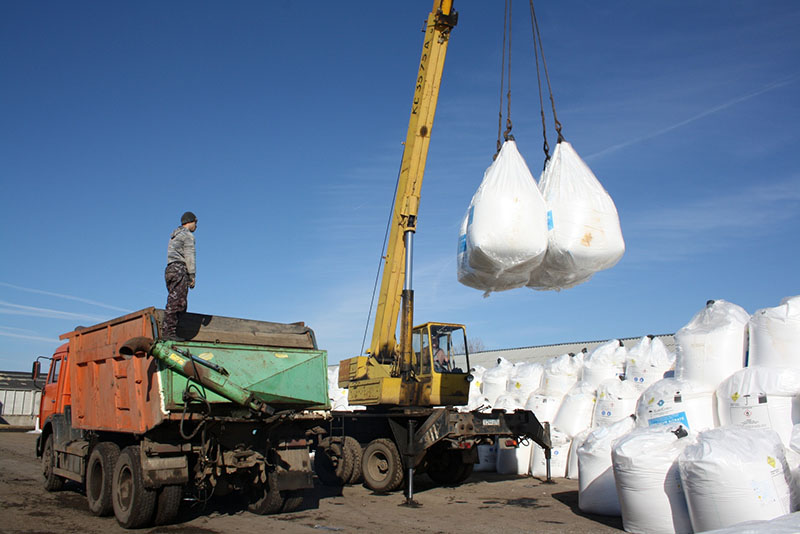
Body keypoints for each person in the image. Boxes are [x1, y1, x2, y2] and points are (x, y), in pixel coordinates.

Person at [163, 211, 197, 340]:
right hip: (179, 269)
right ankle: (169, 333)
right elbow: (190, 256)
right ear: (191, 221)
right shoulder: (187, 236)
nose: (196, 226)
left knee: (175, 300)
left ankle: (171, 331)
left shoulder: (174, 235)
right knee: (178, 302)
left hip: (170, 269)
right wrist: (192, 276)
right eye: (196, 223)